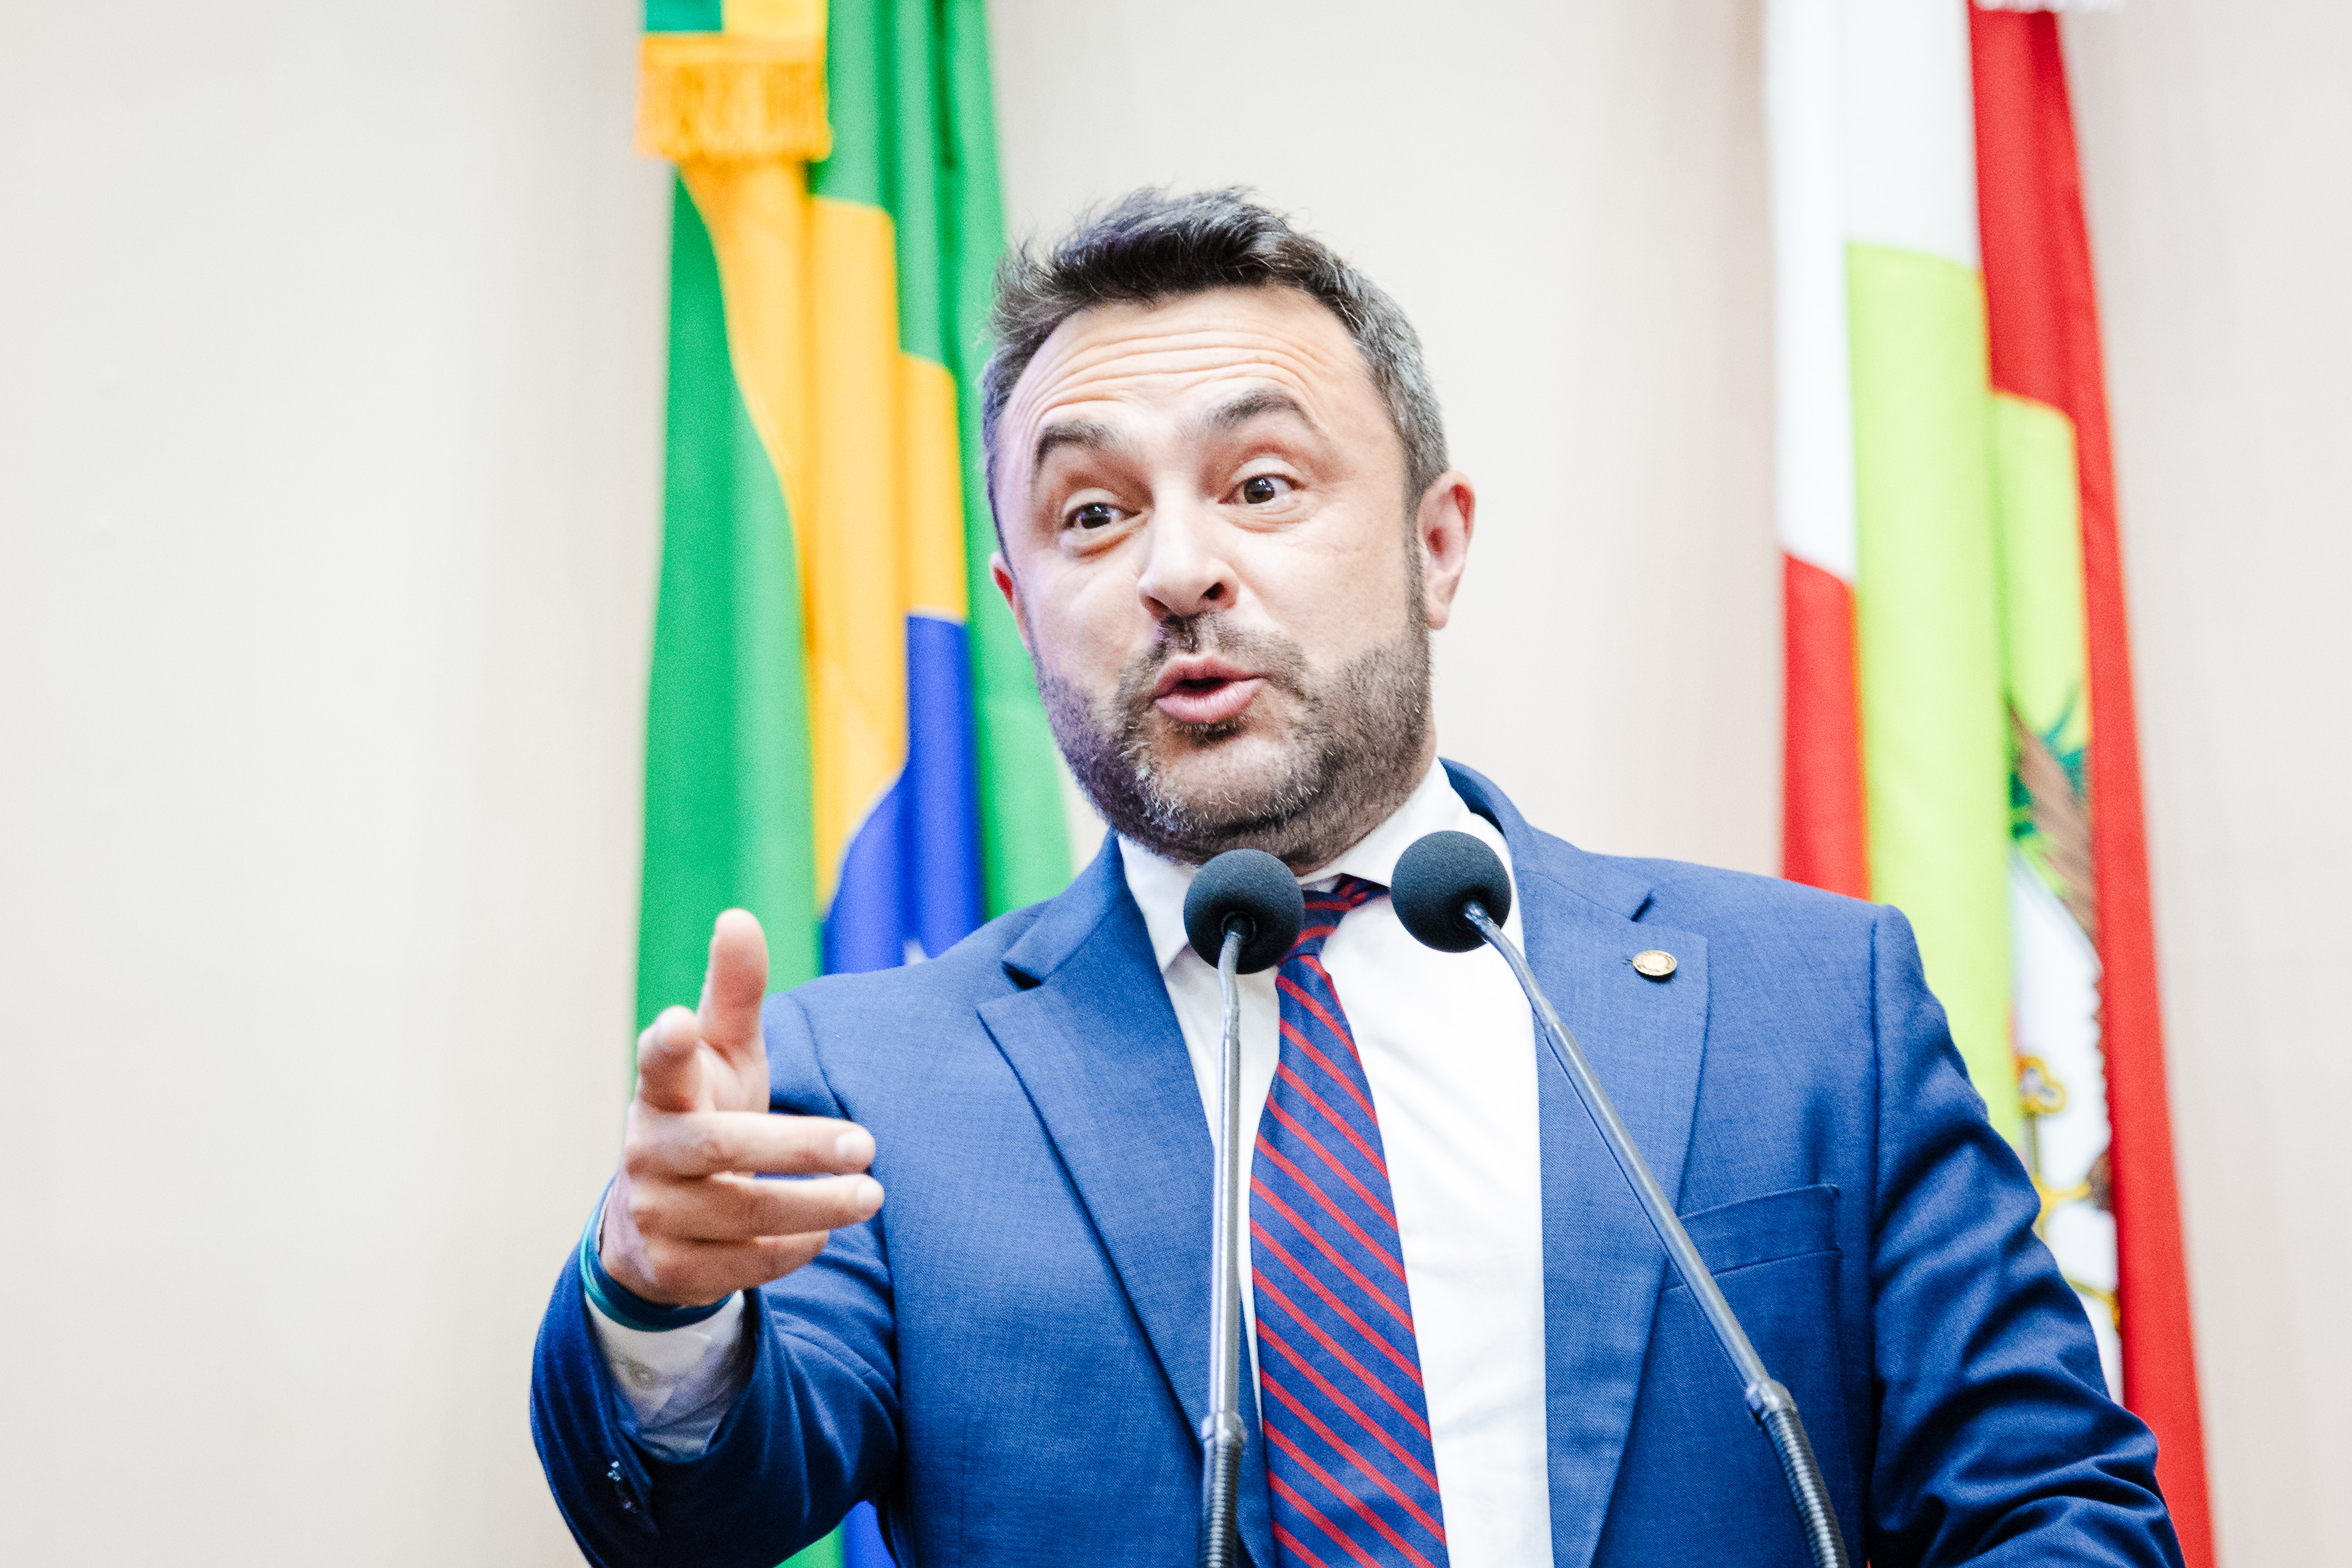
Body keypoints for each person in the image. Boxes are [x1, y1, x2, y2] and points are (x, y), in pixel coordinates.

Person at [531, 188, 2180, 1568]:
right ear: (1020, 607)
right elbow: (694, 1514)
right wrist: (662, 1305)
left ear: (1433, 545)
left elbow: (2052, 1507)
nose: (1179, 569)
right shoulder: (869, 1081)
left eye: (1259, 486)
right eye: (1091, 513)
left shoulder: (1808, 1006)